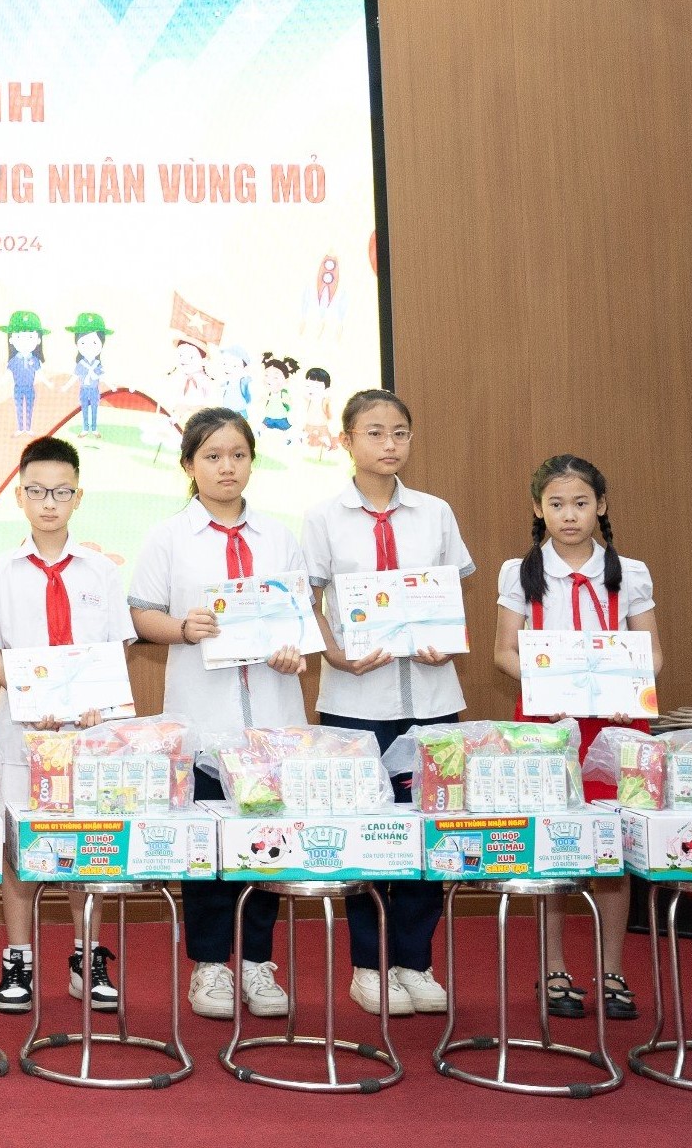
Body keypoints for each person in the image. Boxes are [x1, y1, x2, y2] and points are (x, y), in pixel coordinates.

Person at [129, 407, 313, 1022]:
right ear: (189, 465)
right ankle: (210, 964)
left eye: (237, 454)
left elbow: (300, 619)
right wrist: (184, 628)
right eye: (212, 456)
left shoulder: (279, 536)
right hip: (203, 717)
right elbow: (141, 615)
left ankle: (258, 960)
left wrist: (292, 650)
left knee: (266, 840)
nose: (226, 467)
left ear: (252, 461)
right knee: (205, 844)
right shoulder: (168, 537)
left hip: (273, 716)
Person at [303, 389, 474, 1018]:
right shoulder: (323, 517)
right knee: (366, 832)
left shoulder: (435, 512)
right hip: (354, 698)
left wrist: (445, 641)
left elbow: (450, 594)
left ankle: (415, 961)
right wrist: (336, 655)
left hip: (432, 694)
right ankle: (369, 966)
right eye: (374, 433)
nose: (389, 444)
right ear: (347, 440)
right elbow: (309, 600)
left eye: (399, 432)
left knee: (430, 828)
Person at [490, 454, 660, 1023]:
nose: (569, 515)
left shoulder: (630, 572)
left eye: (581, 503)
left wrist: (629, 682)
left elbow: (653, 653)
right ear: (539, 509)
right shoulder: (519, 572)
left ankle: (612, 969)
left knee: (613, 851)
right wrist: (551, 684)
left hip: (616, 726)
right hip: (548, 726)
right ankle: (554, 968)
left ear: (601, 506)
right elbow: (503, 652)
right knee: (553, 849)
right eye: (557, 504)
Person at [0, 436, 134, 1015]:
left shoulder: (102, 571)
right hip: (23, 732)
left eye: (61, 492)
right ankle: (18, 960)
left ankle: (87, 958)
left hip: (88, 734)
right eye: (37, 491)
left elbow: (116, 648)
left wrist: (97, 701)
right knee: (21, 847)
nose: (48, 503)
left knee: (89, 844)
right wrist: (22, 692)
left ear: (78, 497)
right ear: (19, 496)